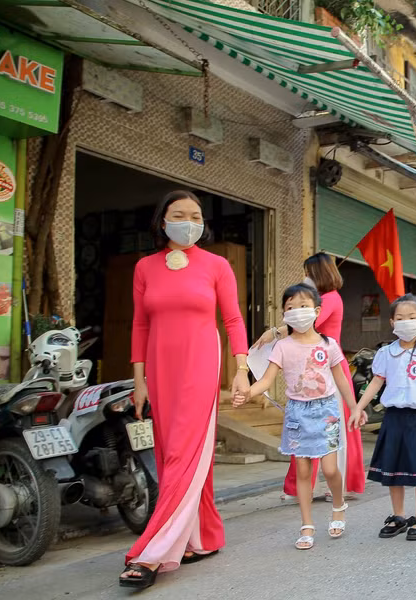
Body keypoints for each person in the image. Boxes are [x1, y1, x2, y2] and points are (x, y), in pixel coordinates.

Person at [121, 191, 250, 589]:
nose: (189, 221)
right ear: (163, 221)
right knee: (172, 453)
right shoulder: (144, 267)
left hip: (200, 362)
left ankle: (152, 553)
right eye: (179, 215)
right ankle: (202, 536)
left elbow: (232, 319)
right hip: (160, 368)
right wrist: (139, 380)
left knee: (182, 453)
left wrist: (241, 369)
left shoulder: (217, 265)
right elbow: (140, 325)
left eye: (195, 215)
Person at [234, 284, 363, 549]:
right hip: (297, 413)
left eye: (303, 306)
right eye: (290, 308)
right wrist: (247, 393)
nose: (296, 312)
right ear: (283, 315)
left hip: (326, 410)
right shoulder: (282, 346)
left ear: (316, 311)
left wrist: (355, 408)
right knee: (303, 471)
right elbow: (267, 380)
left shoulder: (329, 345)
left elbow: (341, 379)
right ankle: (307, 525)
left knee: (329, 469)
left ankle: (338, 505)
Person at [253, 253, 365, 502]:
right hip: (310, 370)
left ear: (317, 273)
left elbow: (306, 322)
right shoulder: (323, 298)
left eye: (308, 272)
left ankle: (338, 483)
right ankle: (304, 486)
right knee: (306, 429)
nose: (305, 277)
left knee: (332, 429)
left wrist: (273, 332)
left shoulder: (330, 299)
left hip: (329, 369)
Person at [351, 294, 416, 541]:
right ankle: (398, 516)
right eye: (401, 318)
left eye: (412, 317)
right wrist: (358, 407)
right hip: (394, 417)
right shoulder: (385, 353)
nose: (407, 322)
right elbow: (376, 381)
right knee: (393, 470)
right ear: (392, 322)